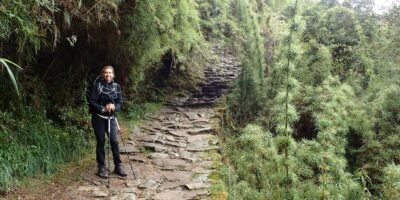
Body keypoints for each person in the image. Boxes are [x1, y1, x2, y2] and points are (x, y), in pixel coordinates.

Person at [89, 65, 127, 178]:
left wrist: (114, 107)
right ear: (102, 74)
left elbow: (120, 102)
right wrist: (103, 108)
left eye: (110, 73)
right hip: (98, 118)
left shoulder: (117, 86)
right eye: (106, 72)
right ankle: (101, 167)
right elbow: (92, 101)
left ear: (113, 75)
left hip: (111, 118)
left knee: (114, 141)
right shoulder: (97, 86)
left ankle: (118, 166)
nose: (108, 75)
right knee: (101, 141)